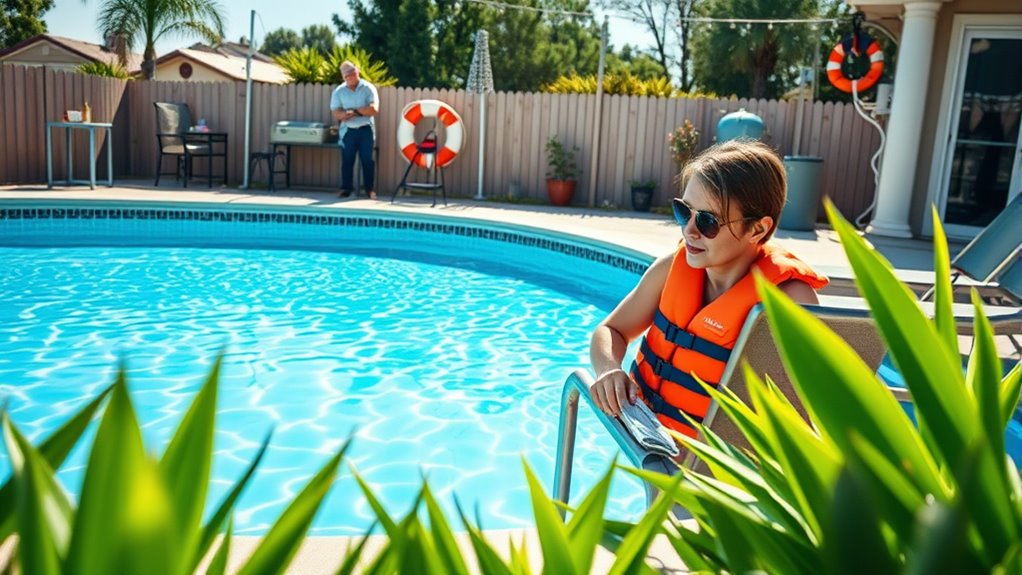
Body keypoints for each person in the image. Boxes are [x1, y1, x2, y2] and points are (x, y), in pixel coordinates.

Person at [589, 139, 828, 445]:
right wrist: (608, 370)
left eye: (707, 221)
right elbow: (611, 329)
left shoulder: (791, 301)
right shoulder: (671, 269)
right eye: (683, 212)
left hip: (716, 479)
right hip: (645, 442)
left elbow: (812, 412)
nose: (689, 229)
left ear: (757, 229)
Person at [330, 60, 379, 199]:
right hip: (347, 131)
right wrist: (344, 115)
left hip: (366, 130)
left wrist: (356, 112)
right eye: (347, 76)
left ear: (357, 72)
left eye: (352, 74)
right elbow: (335, 111)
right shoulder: (339, 91)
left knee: (367, 160)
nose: (350, 77)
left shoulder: (368, 88)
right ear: (343, 77)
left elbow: (374, 109)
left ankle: (369, 189)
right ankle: (346, 189)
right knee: (347, 160)